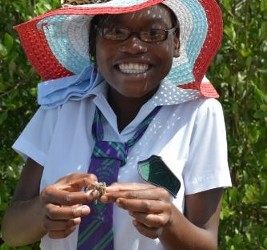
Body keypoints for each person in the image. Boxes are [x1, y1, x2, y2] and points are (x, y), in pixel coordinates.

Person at [2, 0, 232, 249]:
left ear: (175, 43)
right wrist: (41, 213)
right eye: (115, 32)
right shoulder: (62, 107)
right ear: (93, 44)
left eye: (153, 33)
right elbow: (12, 231)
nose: (133, 46)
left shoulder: (199, 114)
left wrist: (170, 222)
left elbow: (207, 242)